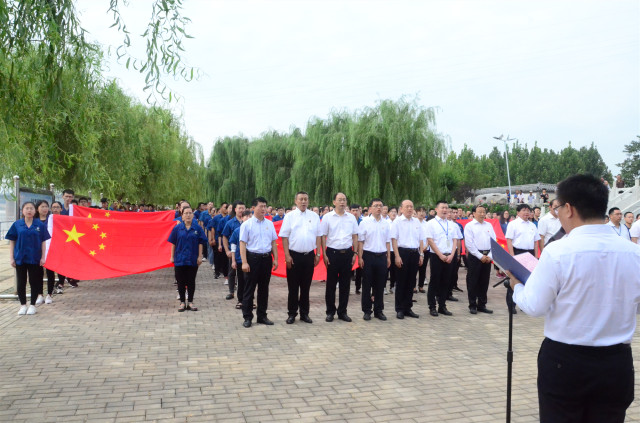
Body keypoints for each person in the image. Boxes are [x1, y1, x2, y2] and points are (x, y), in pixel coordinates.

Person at [509, 173, 640, 422]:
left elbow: (535, 306)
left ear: (568, 209)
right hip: (615, 363)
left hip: (565, 363)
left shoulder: (558, 252)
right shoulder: (634, 253)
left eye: (558, 208)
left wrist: (517, 286)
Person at [280, 191, 322, 324]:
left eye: (305, 199)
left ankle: (305, 314)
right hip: (294, 256)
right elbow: (284, 237)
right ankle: (292, 313)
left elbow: (318, 236)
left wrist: (318, 254)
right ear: (296, 201)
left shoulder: (314, 216)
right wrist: (287, 255)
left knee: (306, 287)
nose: (303, 201)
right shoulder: (290, 216)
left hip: (309, 256)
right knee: (293, 287)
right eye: (301, 199)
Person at [239, 197, 279, 328]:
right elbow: (242, 244)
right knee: (249, 289)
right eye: (260, 206)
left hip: (266, 259)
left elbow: (273, 242)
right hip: (252, 259)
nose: (263, 209)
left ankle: (262, 316)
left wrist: (276, 258)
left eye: (265, 206)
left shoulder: (269, 224)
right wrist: (244, 262)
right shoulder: (247, 225)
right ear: (253, 208)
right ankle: (247, 317)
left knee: (264, 289)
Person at [6, 202, 50, 315]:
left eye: (31, 208)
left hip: (35, 258)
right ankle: (23, 305)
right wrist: (11, 258)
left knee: (34, 281)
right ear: (23, 211)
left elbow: (43, 242)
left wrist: (43, 257)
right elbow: (12, 241)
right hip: (20, 257)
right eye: (27, 208)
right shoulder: (17, 224)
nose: (29, 210)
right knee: (21, 282)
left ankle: (32, 305)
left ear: (35, 211)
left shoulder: (40, 225)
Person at [320, 192, 359, 323]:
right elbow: (323, 236)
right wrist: (324, 254)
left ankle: (342, 312)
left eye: (344, 200)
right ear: (334, 202)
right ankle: (330, 312)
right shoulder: (327, 217)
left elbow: (355, 236)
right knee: (331, 285)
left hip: (347, 254)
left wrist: (355, 253)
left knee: (345, 285)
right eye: (340, 200)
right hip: (332, 254)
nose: (342, 202)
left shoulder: (351, 218)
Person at [168, 206, 208, 312]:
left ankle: (190, 302)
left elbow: (201, 243)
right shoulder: (177, 228)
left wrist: (200, 256)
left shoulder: (197, 228)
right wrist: (172, 256)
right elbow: (173, 243)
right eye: (186, 213)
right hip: (179, 259)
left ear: (193, 215)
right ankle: (182, 302)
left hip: (192, 259)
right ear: (182, 215)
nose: (188, 215)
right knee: (180, 281)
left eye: (190, 213)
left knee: (191, 281)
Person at [357, 198, 391, 321]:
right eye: (376, 206)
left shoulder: (386, 223)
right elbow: (360, 241)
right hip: (368, 256)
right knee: (367, 284)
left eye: (380, 206)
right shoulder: (364, 222)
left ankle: (378, 310)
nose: (378, 208)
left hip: (382, 256)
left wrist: (388, 257)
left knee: (380, 285)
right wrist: (360, 257)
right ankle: (367, 311)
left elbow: (388, 242)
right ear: (370, 208)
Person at [505, 203, 542, 314]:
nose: (526, 212)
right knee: (514, 279)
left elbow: (535, 242)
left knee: (528, 280)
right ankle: (511, 306)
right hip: (518, 252)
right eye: (524, 210)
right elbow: (509, 240)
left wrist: (536, 257)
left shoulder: (532, 225)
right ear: (518, 212)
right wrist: (512, 256)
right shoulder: (513, 224)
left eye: (528, 210)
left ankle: (524, 304)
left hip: (530, 254)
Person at [390, 199, 423, 319]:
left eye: (411, 206)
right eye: (407, 206)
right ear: (401, 209)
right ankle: (399, 309)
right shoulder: (397, 222)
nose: (410, 209)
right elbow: (394, 240)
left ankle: (408, 307)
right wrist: (397, 256)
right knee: (401, 282)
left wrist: (421, 254)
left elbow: (420, 239)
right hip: (402, 253)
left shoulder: (416, 222)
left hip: (414, 253)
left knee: (411, 282)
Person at [426, 201, 456, 317]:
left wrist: (452, 255)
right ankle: (432, 306)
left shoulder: (451, 224)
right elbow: (430, 240)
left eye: (446, 208)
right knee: (434, 281)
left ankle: (442, 306)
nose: (445, 210)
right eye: (442, 208)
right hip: (436, 256)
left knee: (446, 282)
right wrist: (440, 255)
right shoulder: (431, 223)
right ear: (436, 209)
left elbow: (455, 240)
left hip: (449, 256)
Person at [463, 205, 496, 314]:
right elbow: (469, 244)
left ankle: (482, 304)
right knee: (473, 281)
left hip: (487, 256)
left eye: (484, 212)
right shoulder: (469, 226)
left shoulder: (489, 225)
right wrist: (480, 256)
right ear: (473, 213)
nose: (482, 214)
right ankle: (472, 305)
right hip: (475, 256)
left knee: (484, 281)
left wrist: (490, 256)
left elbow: (494, 241)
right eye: (480, 212)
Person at [222, 201, 246, 301]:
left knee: (244, 274)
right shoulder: (230, 223)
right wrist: (227, 250)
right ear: (235, 209)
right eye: (239, 208)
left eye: (243, 208)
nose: (241, 210)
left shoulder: (248, 222)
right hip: (234, 252)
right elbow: (224, 237)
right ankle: (231, 291)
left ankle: (245, 293)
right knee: (232, 272)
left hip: (245, 254)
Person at [34, 200, 56, 305]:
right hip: (37, 250)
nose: (45, 209)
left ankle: (49, 294)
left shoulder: (52, 219)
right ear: (37, 208)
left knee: (50, 272)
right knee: (38, 273)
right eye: (42, 207)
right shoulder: (34, 221)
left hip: (50, 249)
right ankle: (40, 294)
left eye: (46, 206)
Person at [229, 211, 252, 311]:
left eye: (250, 216)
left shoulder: (253, 229)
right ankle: (240, 300)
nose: (248, 218)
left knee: (250, 281)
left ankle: (250, 300)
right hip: (240, 259)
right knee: (241, 280)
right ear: (242, 218)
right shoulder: (237, 230)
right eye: (246, 216)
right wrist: (233, 260)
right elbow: (233, 245)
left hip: (252, 259)